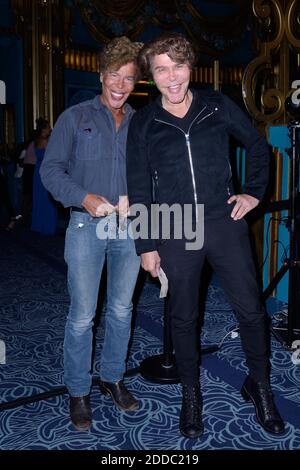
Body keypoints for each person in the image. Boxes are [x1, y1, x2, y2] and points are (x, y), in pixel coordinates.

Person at [126, 33, 285, 439]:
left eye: (178, 66)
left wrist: (253, 193)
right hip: (176, 227)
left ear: (190, 67)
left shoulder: (216, 103)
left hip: (223, 221)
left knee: (250, 310)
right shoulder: (144, 121)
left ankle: (261, 387)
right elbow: (139, 186)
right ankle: (191, 393)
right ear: (152, 75)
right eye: (161, 69)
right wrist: (145, 245)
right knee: (183, 316)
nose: (172, 77)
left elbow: (257, 145)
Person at [40, 36, 142, 431]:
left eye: (129, 78)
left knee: (121, 309)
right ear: (101, 75)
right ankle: (78, 390)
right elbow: (51, 171)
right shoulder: (75, 117)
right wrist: (84, 198)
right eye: (114, 75)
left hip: (129, 228)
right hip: (86, 226)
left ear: (136, 83)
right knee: (83, 315)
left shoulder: (140, 122)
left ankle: (112, 378)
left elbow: (150, 174)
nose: (120, 84)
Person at [31, 118, 57, 235]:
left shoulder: (37, 140)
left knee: (40, 198)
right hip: (46, 171)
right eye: (48, 127)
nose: (50, 129)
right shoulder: (46, 141)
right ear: (43, 129)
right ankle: (47, 226)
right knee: (47, 198)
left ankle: (39, 224)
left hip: (38, 171)